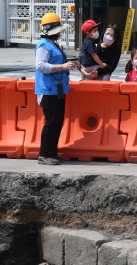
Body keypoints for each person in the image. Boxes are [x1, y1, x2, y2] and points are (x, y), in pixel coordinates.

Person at [35, 12, 79, 166]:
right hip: (48, 90)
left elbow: (59, 62)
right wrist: (63, 66)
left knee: (57, 122)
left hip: (57, 89)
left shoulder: (53, 44)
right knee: (52, 122)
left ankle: (52, 153)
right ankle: (45, 155)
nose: (60, 32)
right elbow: (41, 66)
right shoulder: (43, 45)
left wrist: (70, 64)